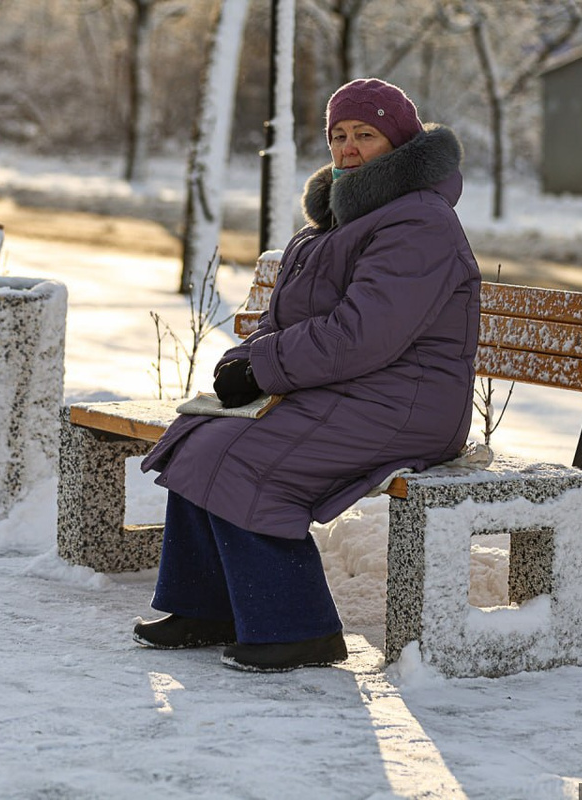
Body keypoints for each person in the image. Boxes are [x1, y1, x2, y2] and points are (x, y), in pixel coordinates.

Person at [133, 78, 481, 673]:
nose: (348, 148)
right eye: (339, 135)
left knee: (240, 454)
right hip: (348, 387)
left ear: (397, 143)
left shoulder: (418, 221)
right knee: (199, 437)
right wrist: (242, 361)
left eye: (365, 135)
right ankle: (209, 607)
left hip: (408, 402)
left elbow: (365, 333)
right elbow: (282, 319)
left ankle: (299, 627)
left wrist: (265, 366)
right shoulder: (335, 221)